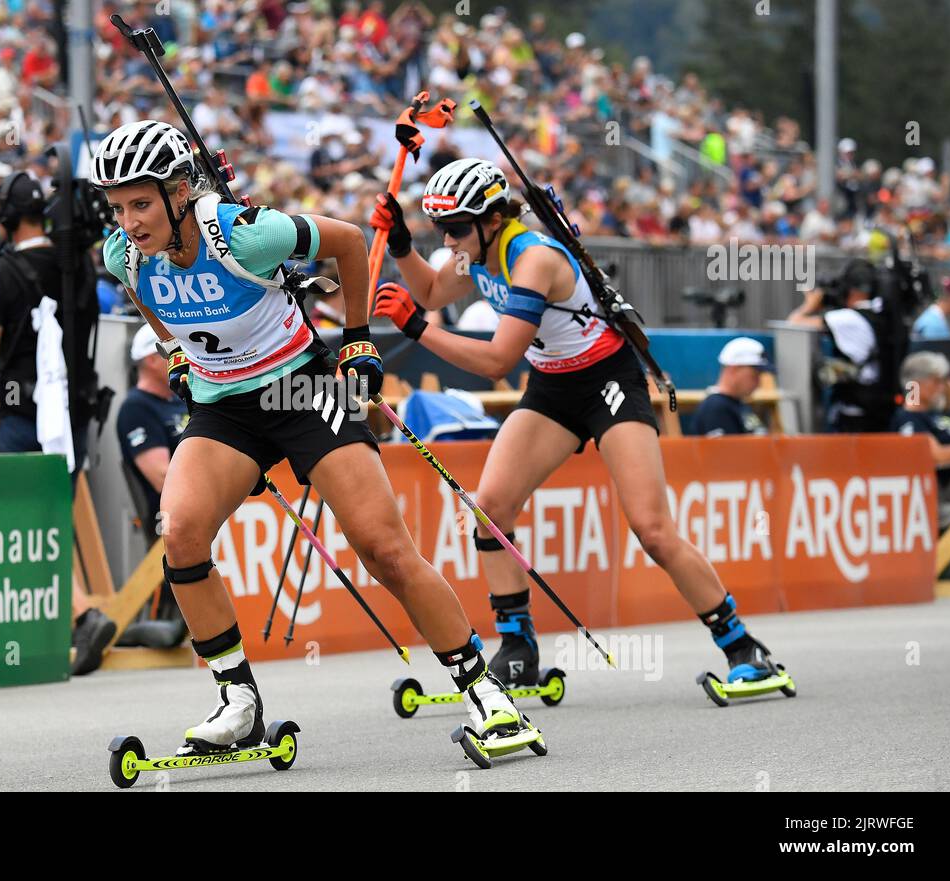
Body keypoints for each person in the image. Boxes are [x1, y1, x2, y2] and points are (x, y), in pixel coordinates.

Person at [96, 120, 528, 755]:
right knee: (181, 532)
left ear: (179, 191)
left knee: (383, 549)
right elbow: (152, 306)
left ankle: (485, 691)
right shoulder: (123, 255)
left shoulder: (241, 233)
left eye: (140, 203)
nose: (129, 221)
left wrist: (356, 340)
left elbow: (351, 243)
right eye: (117, 208)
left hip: (300, 391)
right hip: (226, 406)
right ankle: (237, 700)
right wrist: (178, 355)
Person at [370, 157, 788, 690]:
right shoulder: (476, 250)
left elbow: (499, 361)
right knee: (491, 508)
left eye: (453, 229)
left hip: (608, 382)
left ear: (492, 219)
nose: (447, 241)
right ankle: (518, 647)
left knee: (652, 530)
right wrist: (404, 247)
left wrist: (415, 328)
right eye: (439, 229)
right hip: (554, 386)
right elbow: (430, 292)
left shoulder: (533, 259)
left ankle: (742, 645)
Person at [0, 172, 114, 675]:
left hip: (24, 415)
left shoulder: (1, 274)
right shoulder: (80, 267)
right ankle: (68, 622)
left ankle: (80, 614)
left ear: (6, 219)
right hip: (74, 414)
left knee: (30, 520)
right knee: (53, 513)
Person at [787, 259, 899, 433]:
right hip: (883, 407)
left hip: (857, 413)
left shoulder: (849, 319)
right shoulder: (883, 314)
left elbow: (794, 323)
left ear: (853, 290)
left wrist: (811, 304)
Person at [117, 323, 189, 526]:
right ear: (151, 360)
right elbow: (162, 478)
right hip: (171, 522)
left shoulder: (179, 398)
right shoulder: (136, 408)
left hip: (202, 509)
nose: (184, 359)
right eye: (176, 353)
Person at [890, 352, 950, 522]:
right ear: (917, 384)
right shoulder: (909, 418)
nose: (942, 387)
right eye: (937, 381)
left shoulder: (938, 416)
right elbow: (935, 455)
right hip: (942, 495)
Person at [687, 337, 771, 437]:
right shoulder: (716, 408)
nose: (758, 383)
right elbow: (725, 451)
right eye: (754, 375)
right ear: (734, 369)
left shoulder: (738, 404)